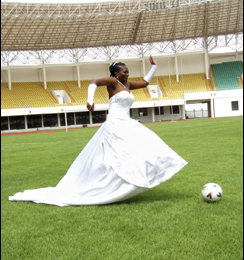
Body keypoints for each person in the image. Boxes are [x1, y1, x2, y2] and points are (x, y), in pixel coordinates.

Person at [9, 56, 187, 206]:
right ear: (116, 73)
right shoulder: (113, 82)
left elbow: (146, 82)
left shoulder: (128, 85)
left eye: (127, 71)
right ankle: (113, 184)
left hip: (126, 122)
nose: (127, 73)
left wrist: (154, 66)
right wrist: (90, 100)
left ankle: (131, 178)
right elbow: (93, 82)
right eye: (124, 71)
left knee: (146, 142)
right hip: (115, 123)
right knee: (117, 154)